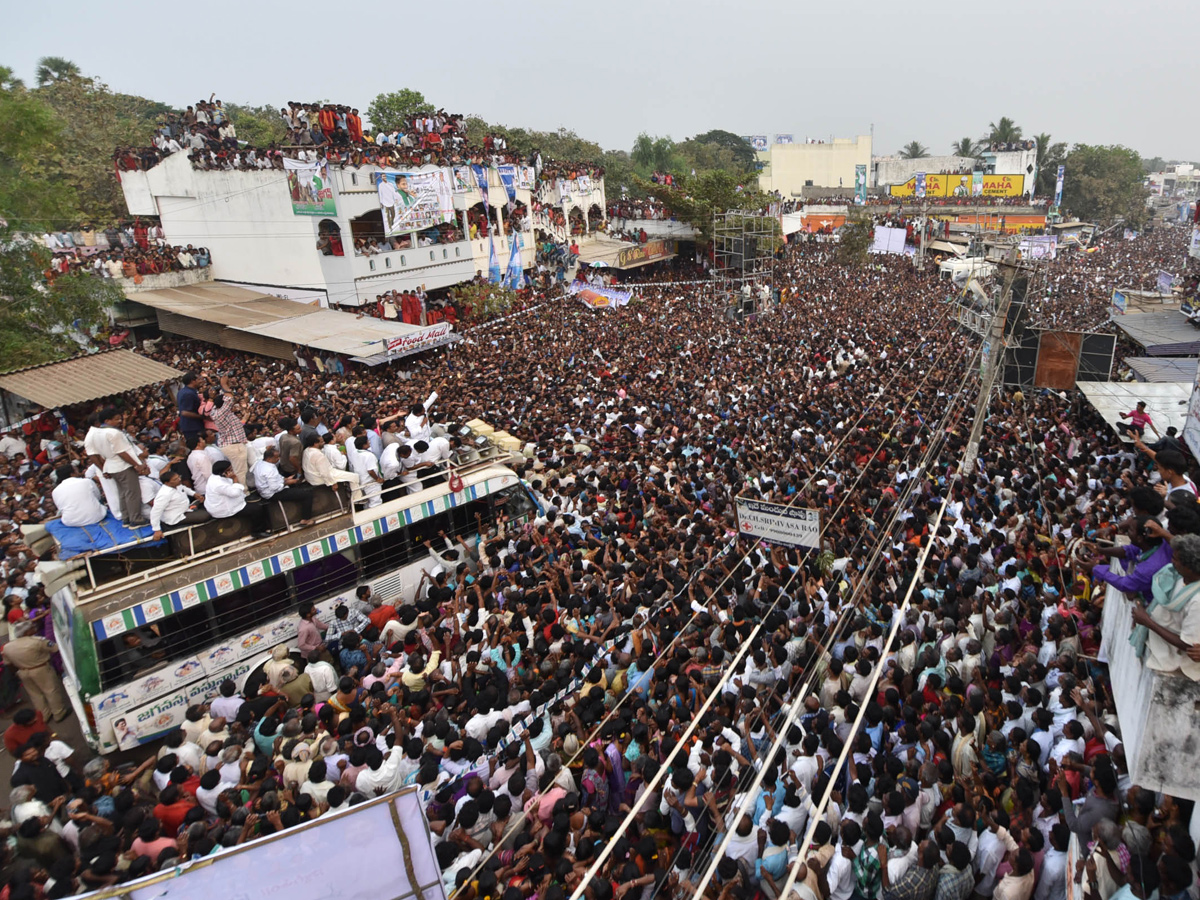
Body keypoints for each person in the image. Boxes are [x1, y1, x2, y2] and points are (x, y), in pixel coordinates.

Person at [89, 406, 150, 527]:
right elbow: (121, 452)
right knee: (132, 493)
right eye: (116, 419)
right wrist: (136, 465)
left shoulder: (96, 433)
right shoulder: (113, 433)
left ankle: (126, 518)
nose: (120, 421)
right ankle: (135, 519)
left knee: (123, 493)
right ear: (107, 421)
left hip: (111, 466)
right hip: (122, 465)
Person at [3, 620, 70, 721]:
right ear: (26, 632)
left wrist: (17, 673)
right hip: (40, 668)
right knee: (51, 690)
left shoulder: (7, 647)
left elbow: (9, 664)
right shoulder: (37, 641)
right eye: (31, 628)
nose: (34, 629)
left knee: (35, 695)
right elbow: (55, 648)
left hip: (22, 671)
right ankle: (59, 713)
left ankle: (44, 715)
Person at [252, 445, 314, 526]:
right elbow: (275, 487)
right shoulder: (269, 470)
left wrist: (285, 479)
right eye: (277, 458)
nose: (278, 459)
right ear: (269, 458)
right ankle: (305, 519)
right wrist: (289, 482)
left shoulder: (259, 463)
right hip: (272, 493)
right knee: (307, 495)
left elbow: (273, 479)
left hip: (266, 489)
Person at [204, 460, 270, 536]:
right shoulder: (218, 484)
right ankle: (257, 531)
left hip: (225, 502)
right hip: (224, 509)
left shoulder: (215, 477)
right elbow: (235, 493)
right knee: (257, 509)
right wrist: (235, 478)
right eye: (229, 470)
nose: (232, 471)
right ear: (223, 472)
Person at [150, 470, 209, 540]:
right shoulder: (164, 494)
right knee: (206, 515)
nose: (179, 480)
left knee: (205, 503)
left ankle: (194, 506)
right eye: (175, 479)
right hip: (176, 517)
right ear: (167, 483)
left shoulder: (177, 485)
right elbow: (155, 511)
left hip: (185, 508)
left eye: (179, 477)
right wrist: (157, 529)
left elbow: (184, 489)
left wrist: (194, 494)